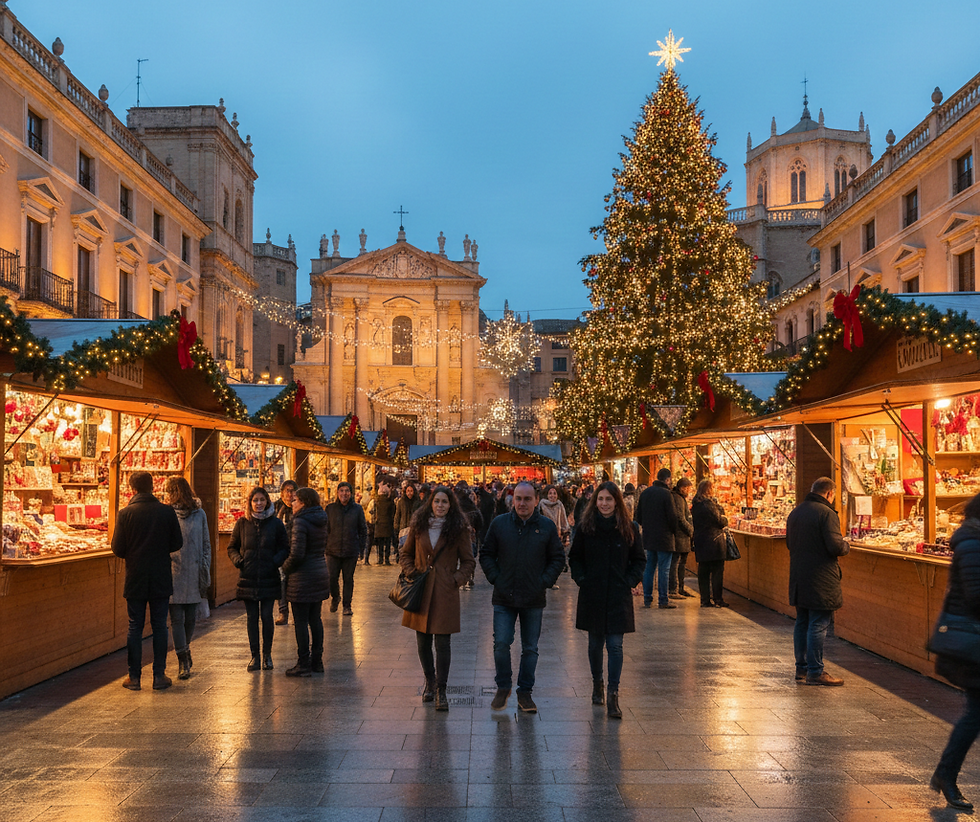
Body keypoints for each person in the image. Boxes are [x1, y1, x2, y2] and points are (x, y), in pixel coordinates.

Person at [480, 481, 565, 713]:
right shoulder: (500, 524)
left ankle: (525, 691)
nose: (522, 503)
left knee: (530, 648)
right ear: (512, 499)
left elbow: (558, 558)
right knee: (501, 643)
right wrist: (497, 578)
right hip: (504, 596)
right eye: (518, 498)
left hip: (533, 597)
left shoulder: (546, 526)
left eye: (527, 499)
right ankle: (503, 686)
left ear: (536, 500)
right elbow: (486, 554)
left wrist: (544, 581)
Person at [568, 481, 645, 719]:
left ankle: (613, 693)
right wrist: (583, 579)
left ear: (617, 502)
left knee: (615, 645)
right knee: (594, 644)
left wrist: (629, 581)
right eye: (600, 499)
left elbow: (639, 560)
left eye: (609, 499)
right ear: (595, 501)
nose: (604, 504)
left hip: (617, 595)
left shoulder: (629, 527)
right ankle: (597, 683)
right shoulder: (585, 527)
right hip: (593, 594)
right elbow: (575, 558)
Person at [399, 486, 477, 711]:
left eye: (444, 502)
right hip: (421, 589)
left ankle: (442, 689)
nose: (440, 505)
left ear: (450, 504)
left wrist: (456, 580)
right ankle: (429, 682)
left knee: (443, 643)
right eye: (437, 501)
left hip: (444, 590)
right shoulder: (419, 525)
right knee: (422, 641)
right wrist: (411, 571)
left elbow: (469, 560)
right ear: (430, 503)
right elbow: (405, 553)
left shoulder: (459, 528)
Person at [111, 471, 183, 691]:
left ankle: (134, 677)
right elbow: (177, 542)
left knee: (135, 626)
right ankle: (159, 676)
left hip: (136, 577)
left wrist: (135, 553)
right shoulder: (166, 511)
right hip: (160, 576)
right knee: (160, 625)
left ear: (133, 488)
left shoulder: (125, 514)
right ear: (153, 486)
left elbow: (117, 548)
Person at [930, 494, 980, 810]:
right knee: (974, 713)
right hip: (971, 641)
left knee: (975, 713)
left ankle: (946, 774)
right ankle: (946, 774)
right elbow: (976, 596)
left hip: (970, 639)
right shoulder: (973, 543)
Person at [786, 477, 850, 686]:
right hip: (821, 577)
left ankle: (801, 668)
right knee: (818, 623)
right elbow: (834, 546)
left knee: (802, 621)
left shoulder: (796, 512)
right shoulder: (827, 514)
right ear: (830, 494)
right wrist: (846, 546)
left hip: (799, 575)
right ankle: (816, 671)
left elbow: (789, 543)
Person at [227, 486, 290, 671]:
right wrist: (239, 561)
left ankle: (267, 655)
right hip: (248, 577)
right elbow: (232, 547)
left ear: (267, 501)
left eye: (262, 500)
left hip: (269, 577)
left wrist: (275, 561)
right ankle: (255, 656)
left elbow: (284, 547)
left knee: (266, 616)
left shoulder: (276, 524)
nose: (259, 504)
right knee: (252, 618)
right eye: (255, 500)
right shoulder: (242, 523)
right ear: (250, 502)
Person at [165, 476, 211, 680]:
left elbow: (206, 542)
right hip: (173, 570)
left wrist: (204, 565)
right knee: (176, 618)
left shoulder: (199, 513)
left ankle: (185, 650)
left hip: (194, 570)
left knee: (190, 617)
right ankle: (183, 658)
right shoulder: (166, 513)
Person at [283, 487, 330, 676]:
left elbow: (297, 554)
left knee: (301, 621)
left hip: (302, 577)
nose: (292, 503)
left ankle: (303, 663)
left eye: (295, 500)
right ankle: (317, 661)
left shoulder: (301, 521)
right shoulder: (320, 519)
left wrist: (284, 567)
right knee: (315, 619)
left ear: (303, 502)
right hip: (319, 572)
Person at [634, 468, 679, 609]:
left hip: (648, 537)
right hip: (664, 538)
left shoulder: (646, 493)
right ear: (667, 480)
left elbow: (638, 516)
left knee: (649, 568)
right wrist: (673, 531)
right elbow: (672, 517)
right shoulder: (667, 494)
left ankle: (647, 598)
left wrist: (648, 526)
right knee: (664, 570)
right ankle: (663, 600)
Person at [325, 481, 368, 617]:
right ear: (337, 493)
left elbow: (362, 529)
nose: (344, 494)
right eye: (342, 491)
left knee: (348, 578)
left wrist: (361, 548)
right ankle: (336, 597)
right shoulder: (330, 509)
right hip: (332, 550)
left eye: (347, 491)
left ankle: (347, 606)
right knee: (332, 578)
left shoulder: (357, 509)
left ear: (351, 493)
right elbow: (325, 529)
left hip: (351, 550)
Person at [691, 480, 729, 608]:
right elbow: (720, 520)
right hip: (714, 541)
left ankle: (705, 599)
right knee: (717, 571)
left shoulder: (696, 504)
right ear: (709, 490)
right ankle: (718, 598)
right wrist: (725, 517)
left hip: (701, 541)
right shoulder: (709, 505)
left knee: (703, 572)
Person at [273, 480, 296, 624]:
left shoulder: (300, 507)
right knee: (281, 582)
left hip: (296, 551)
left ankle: (297, 613)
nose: (289, 494)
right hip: (280, 551)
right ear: (281, 493)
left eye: (292, 490)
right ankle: (283, 612)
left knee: (295, 584)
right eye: (287, 490)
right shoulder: (274, 508)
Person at [669, 478, 695, 599]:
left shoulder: (679, 498)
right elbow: (680, 518)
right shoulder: (678, 499)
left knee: (680, 563)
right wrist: (690, 530)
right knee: (677, 563)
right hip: (680, 536)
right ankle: (674, 588)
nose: (689, 491)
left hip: (682, 536)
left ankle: (680, 587)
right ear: (682, 488)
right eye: (688, 488)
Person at [372, 479, 396, 565]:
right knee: (388, 543)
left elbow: (374, 512)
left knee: (380, 544)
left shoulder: (377, 502)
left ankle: (380, 559)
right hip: (388, 524)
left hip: (379, 524)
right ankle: (387, 559)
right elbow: (393, 512)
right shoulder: (390, 502)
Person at [394, 481, 422, 555]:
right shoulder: (401, 502)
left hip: (414, 528)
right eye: (408, 491)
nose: (409, 493)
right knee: (403, 548)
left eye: (411, 491)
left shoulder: (417, 502)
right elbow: (398, 515)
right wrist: (396, 526)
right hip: (403, 528)